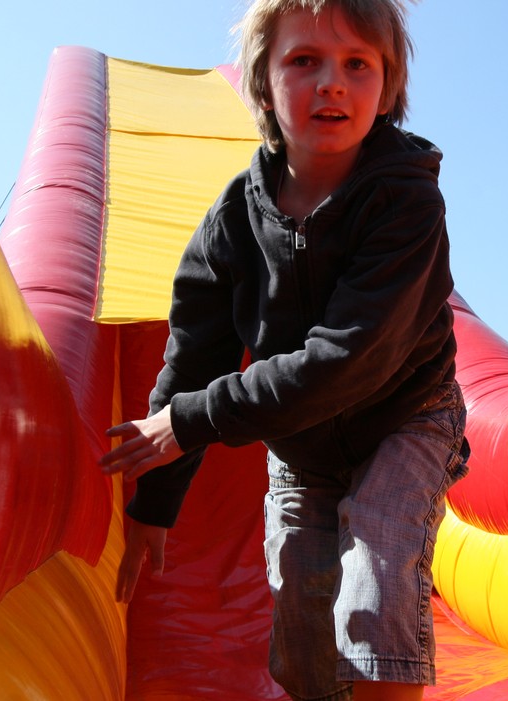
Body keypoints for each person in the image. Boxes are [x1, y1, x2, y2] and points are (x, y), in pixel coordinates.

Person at [99, 1, 470, 698]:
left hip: (404, 417)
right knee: (303, 628)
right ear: (263, 85)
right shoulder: (232, 223)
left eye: (357, 64)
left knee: (372, 578)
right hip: (301, 447)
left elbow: (349, 357)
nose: (332, 82)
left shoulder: (404, 202)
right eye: (304, 61)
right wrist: (154, 503)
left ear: (387, 88)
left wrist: (191, 420)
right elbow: (194, 358)